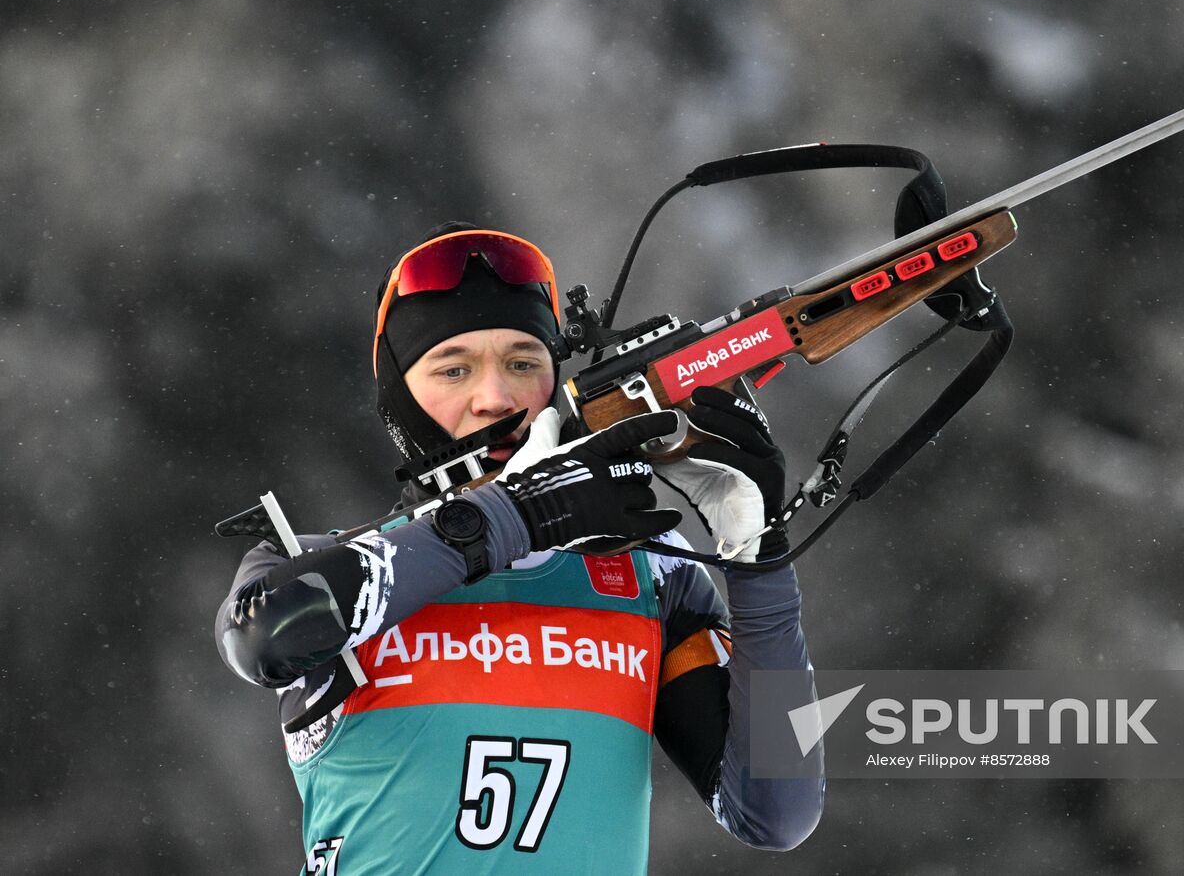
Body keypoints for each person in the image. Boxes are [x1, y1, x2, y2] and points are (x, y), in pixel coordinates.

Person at [214, 223, 824, 874]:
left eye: (524, 363)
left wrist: (759, 559)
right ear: (399, 400)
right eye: (454, 368)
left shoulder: (650, 571)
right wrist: (518, 513)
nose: (495, 398)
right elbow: (264, 636)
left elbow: (776, 810)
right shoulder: (324, 561)